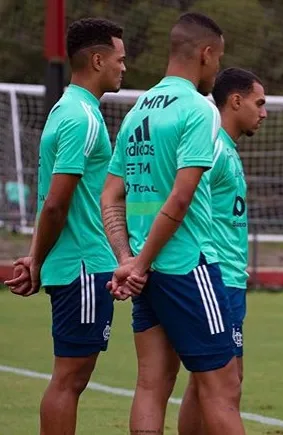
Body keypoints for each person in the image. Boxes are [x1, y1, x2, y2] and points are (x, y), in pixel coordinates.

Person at [100, 12, 243, 435]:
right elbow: (180, 199)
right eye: (218, 59)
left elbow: (110, 194)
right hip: (185, 264)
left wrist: (127, 259)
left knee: (151, 385)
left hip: (146, 273)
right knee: (223, 388)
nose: (217, 69)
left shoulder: (137, 109)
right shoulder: (199, 110)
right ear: (206, 53)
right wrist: (139, 264)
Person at [3, 18, 125, 435]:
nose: (123, 67)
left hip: (73, 264)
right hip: (84, 266)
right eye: (119, 59)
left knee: (67, 379)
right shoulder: (82, 118)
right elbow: (56, 202)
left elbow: (55, 203)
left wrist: (38, 255)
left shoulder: (66, 108)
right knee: (69, 381)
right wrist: (37, 259)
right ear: (97, 59)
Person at [177, 67, 267, 435]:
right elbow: (181, 200)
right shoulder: (212, 147)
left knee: (206, 379)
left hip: (228, 277)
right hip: (216, 278)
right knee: (225, 379)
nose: (263, 112)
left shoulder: (226, 148)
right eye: (259, 103)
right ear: (235, 101)